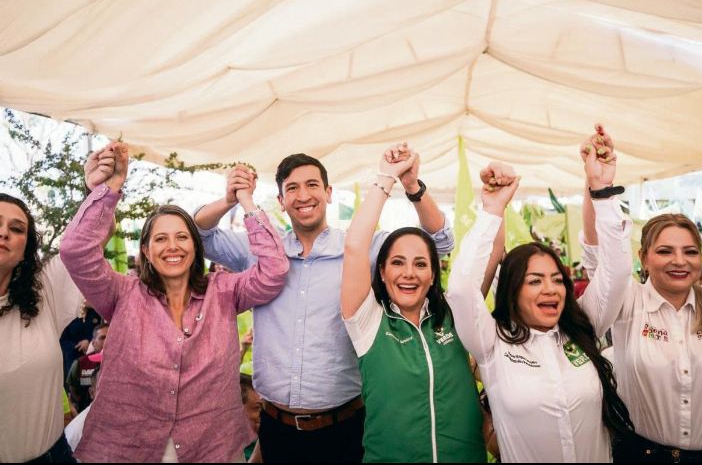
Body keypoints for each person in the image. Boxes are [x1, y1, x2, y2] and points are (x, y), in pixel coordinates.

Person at [194, 143, 453, 462]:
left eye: (312, 185)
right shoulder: (259, 251)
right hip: (276, 429)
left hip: (344, 428)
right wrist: (228, 200)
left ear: (329, 192)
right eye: (292, 188)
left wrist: (412, 186)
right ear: (281, 200)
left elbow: (440, 242)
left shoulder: (362, 250)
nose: (303, 196)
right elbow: (197, 234)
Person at [59, 140, 289, 462]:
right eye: (161, 238)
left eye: (182, 237)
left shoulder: (222, 291)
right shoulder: (121, 294)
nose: (173, 246)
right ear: (146, 252)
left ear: (195, 247)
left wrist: (246, 202)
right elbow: (75, 251)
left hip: (210, 447)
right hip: (130, 448)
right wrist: (109, 189)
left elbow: (274, 271)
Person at [580, 109, 702, 463]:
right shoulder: (627, 300)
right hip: (640, 455)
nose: (679, 261)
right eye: (665, 251)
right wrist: (595, 183)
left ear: (701, 258)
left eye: (690, 252)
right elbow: (595, 248)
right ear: (644, 257)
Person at [446, 154, 635, 462]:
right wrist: (492, 210)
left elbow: (616, 274)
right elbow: (461, 289)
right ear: (511, 291)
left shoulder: (583, 328)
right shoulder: (491, 343)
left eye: (556, 280)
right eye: (534, 281)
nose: (550, 289)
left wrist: (602, 191)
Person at [340, 148, 485, 462]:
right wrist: (386, 178)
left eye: (420, 264)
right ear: (381, 271)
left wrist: (413, 186)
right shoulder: (368, 323)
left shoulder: (454, 316)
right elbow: (354, 245)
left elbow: (490, 252)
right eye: (397, 263)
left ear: (433, 275)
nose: (408, 273)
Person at [0, 193, 86, 463]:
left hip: (54, 456)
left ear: (26, 249)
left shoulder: (43, 292)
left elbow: (87, 238)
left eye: (16, 229)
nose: (4, 233)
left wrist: (99, 188)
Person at [67, 323, 109, 412]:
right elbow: (72, 389)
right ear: (93, 343)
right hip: (84, 414)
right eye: (102, 338)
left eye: (110, 336)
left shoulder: (122, 364)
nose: (107, 341)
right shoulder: (80, 363)